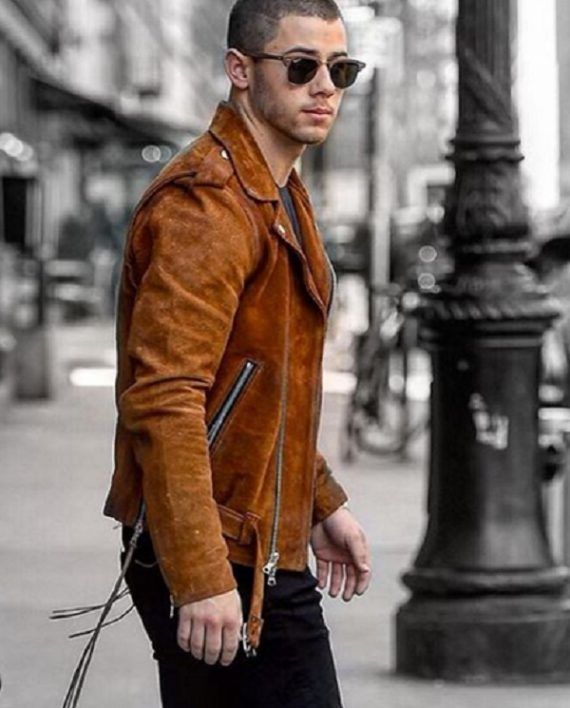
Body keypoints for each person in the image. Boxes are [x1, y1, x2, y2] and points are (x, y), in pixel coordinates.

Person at [103, 1, 371, 705]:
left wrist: (318, 502)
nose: (325, 86)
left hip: (258, 536)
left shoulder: (278, 195)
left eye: (340, 69)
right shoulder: (207, 206)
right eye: (302, 66)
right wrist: (200, 573)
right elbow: (165, 397)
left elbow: (264, 386)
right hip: (220, 547)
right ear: (240, 70)